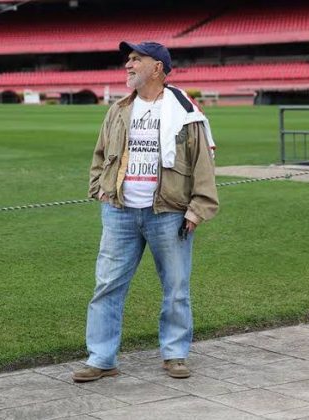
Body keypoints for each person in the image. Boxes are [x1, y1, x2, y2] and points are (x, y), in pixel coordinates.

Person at [72, 41, 219, 382]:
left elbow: (203, 165)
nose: (128, 64)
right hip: (120, 212)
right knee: (107, 286)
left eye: (137, 59)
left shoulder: (186, 112)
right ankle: (102, 358)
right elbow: (100, 155)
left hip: (169, 213)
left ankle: (175, 354)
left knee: (176, 287)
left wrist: (197, 210)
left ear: (158, 68)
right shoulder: (119, 109)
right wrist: (101, 191)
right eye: (129, 58)